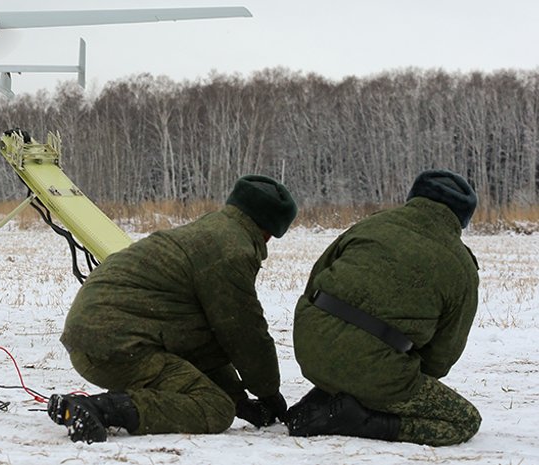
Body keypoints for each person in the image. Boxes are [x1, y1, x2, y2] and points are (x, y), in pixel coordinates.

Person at [47, 175, 298, 443]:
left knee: (221, 398)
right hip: (114, 345)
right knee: (214, 407)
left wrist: (239, 399)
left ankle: (98, 406)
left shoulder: (212, 231)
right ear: (269, 231)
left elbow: (204, 339)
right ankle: (98, 409)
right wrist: (269, 393)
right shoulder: (231, 250)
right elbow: (243, 332)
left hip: (96, 336)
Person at [285, 169, 481, 446]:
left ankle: (332, 392)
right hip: (375, 371)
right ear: (462, 218)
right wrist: (391, 385)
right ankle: (364, 420)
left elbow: (316, 279)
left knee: (362, 357)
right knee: (465, 421)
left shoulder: (371, 225)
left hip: (308, 349)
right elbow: (442, 356)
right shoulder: (462, 267)